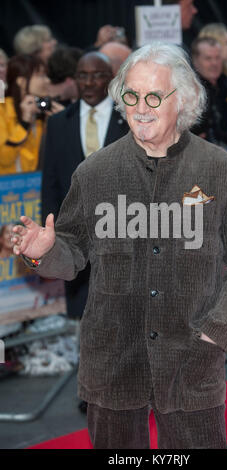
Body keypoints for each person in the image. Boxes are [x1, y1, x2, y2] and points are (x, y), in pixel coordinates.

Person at [12, 42, 227, 449]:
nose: (140, 107)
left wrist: (216, 334)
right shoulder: (94, 172)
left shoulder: (221, 170)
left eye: (153, 96)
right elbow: (72, 253)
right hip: (112, 363)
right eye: (131, 96)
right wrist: (43, 251)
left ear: (182, 100)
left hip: (191, 360)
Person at [41, 51, 128, 414]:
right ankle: (93, 388)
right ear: (74, 79)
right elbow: (51, 183)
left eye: (97, 76)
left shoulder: (130, 121)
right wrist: (52, 237)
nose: (90, 83)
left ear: (110, 78)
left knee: (126, 311)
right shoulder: (59, 124)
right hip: (76, 238)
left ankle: (129, 386)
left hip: (126, 233)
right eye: (83, 76)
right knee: (88, 314)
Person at [0, 54, 50, 174]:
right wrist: (24, 123)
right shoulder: (2, 110)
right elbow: (4, 158)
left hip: (36, 186)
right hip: (8, 189)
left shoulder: (42, 110)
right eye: (40, 75)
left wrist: (60, 122)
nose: (47, 80)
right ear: (21, 81)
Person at [191, 37, 227, 149]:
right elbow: (206, 132)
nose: (214, 63)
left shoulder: (225, 82)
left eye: (217, 58)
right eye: (208, 58)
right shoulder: (192, 90)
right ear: (195, 61)